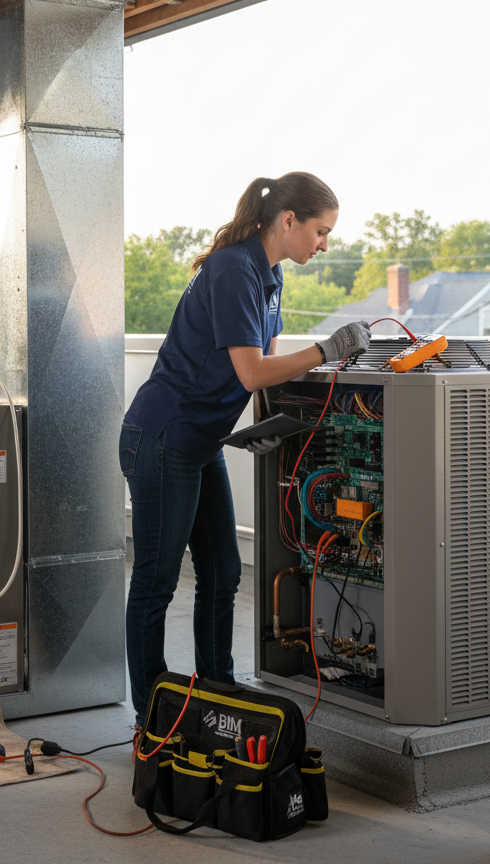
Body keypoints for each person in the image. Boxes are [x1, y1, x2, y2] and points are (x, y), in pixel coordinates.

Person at [120, 172, 371, 729]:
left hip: (200, 442)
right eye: (321, 232)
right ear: (288, 220)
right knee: (157, 581)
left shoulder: (271, 276)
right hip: (162, 436)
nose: (324, 245)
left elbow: (265, 374)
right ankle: (152, 715)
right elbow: (252, 371)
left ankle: (217, 694)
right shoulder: (234, 268)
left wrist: (276, 425)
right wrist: (327, 348)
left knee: (223, 571)